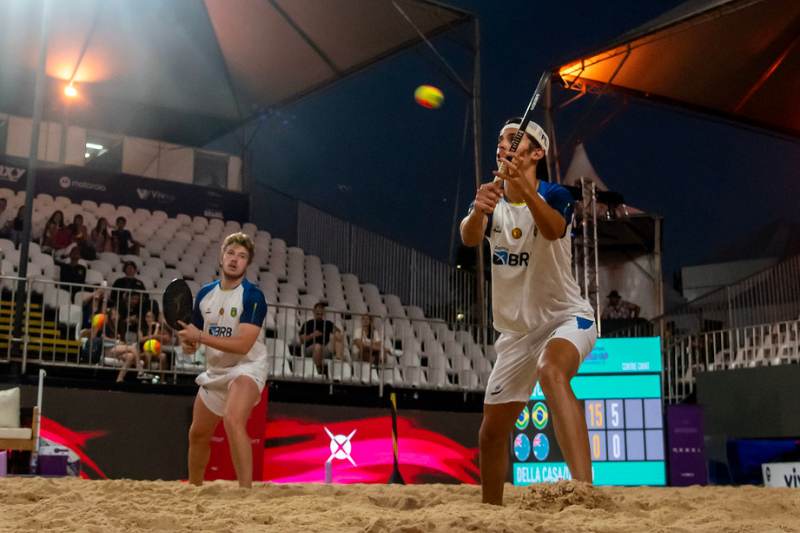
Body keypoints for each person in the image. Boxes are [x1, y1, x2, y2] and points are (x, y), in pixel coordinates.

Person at [460, 118, 597, 505]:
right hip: (517, 333)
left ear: (536, 153)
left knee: (551, 371)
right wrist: (477, 212)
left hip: (566, 317)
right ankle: (490, 511)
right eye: (502, 139)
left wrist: (521, 188)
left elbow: (553, 229)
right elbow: (469, 237)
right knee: (491, 432)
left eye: (515, 139)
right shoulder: (490, 198)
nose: (504, 143)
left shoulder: (556, 194)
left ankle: (584, 493)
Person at [177, 232, 268, 488]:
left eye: (241, 256)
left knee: (232, 419)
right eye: (231, 253)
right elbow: (193, 342)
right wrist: (189, 344)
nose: (234, 260)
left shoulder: (253, 297)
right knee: (198, 433)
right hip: (216, 370)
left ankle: (245, 492)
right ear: (221, 256)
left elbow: (243, 345)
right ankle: (195, 489)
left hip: (247, 367)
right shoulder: (205, 295)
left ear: (247, 263)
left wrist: (201, 337)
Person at [298, 302, 344, 373]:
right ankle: (319, 370)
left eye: (321, 314)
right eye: (317, 313)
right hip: (310, 348)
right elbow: (301, 340)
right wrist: (312, 335)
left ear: (324, 313)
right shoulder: (307, 324)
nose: (319, 316)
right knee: (317, 346)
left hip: (324, 349)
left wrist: (337, 334)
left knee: (338, 338)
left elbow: (338, 332)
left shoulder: (328, 323)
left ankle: (338, 363)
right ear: (313, 312)